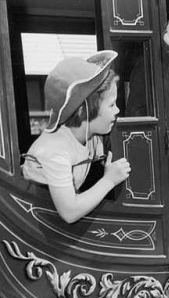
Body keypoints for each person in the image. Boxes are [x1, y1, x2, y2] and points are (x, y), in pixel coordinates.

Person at [22, 51, 131, 224]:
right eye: (111, 105)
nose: (117, 110)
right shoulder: (54, 149)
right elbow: (69, 212)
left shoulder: (92, 135)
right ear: (83, 111)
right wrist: (109, 180)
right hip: (35, 223)